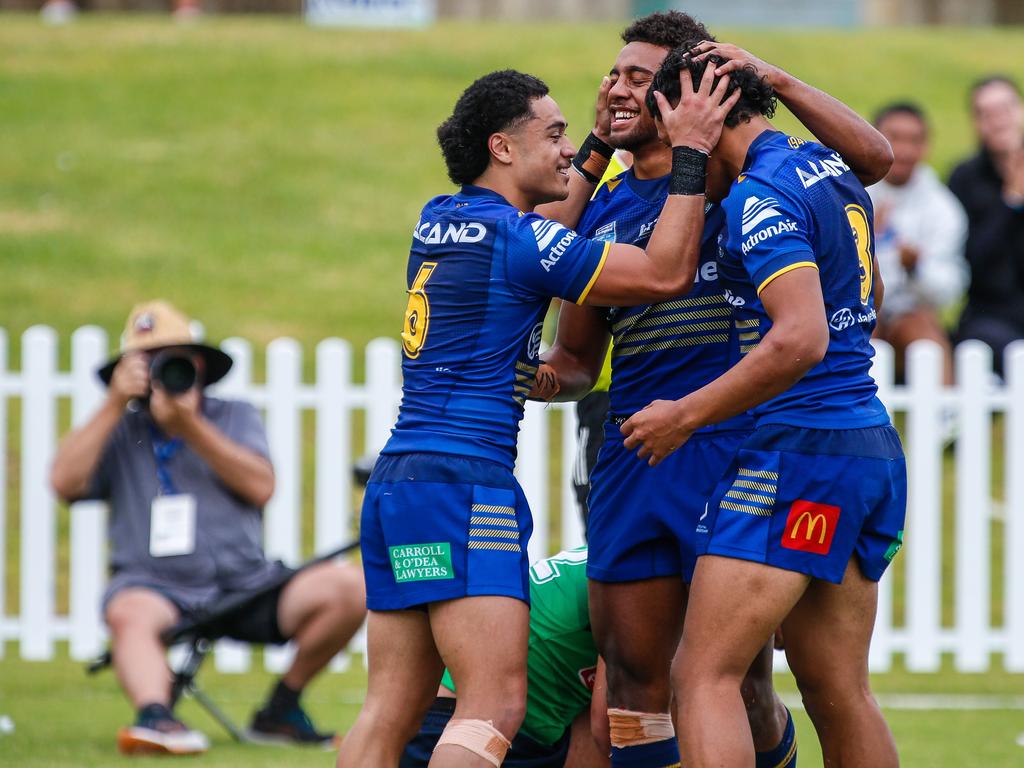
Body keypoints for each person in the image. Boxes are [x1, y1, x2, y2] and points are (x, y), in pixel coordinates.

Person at [337, 67, 739, 768]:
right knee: (493, 706)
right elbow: (666, 271)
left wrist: (592, 145)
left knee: (389, 710)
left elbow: (540, 226)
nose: (565, 152)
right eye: (551, 135)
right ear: (501, 147)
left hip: (400, 484)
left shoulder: (440, 217)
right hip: (468, 485)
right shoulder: (523, 243)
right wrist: (691, 154)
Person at [536, 13, 893, 768]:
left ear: (690, 100)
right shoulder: (798, 174)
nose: (618, 88)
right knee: (642, 682)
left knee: (716, 679)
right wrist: (530, 376)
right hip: (650, 449)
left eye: (643, 79)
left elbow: (800, 330)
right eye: (614, 72)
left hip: (754, 448)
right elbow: (562, 324)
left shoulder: (749, 194)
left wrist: (697, 410)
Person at [50, 301, 367, 755]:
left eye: (174, 359)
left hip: (246, 583)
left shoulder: (233, 415)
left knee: (350, 587)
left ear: (198, 365)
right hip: (155, 586)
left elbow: (261, 487)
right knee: (128, 611)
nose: (165, 372)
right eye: (149, 362)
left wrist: (189, 426)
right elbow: (64, 484)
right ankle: (156, 718)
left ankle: (281, 708)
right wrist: (113, 404)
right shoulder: (119, 428)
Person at [401, 548, 609, 768]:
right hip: (475, 723)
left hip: (467, 714)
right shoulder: (629, 572)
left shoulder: (613, 555)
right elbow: (607, 727)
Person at [869, 101, 967, 386]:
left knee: (924, 330)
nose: (904, 151)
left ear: (926, 146)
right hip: (854, 311)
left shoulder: (943, 208)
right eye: (894, 138)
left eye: (914, 140)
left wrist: (915, 269)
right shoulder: (850, 193)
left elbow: (948, 292)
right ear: (874, 136)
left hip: (908, 312)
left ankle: (945, 421)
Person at [949, 75, 1024, 379]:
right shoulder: (965, 178)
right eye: (986, 113)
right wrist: (1010, 202)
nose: (997, 121)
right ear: (976, 122)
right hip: (990, 314)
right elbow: (969, 259)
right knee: (978, 343)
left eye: (1005, 109)